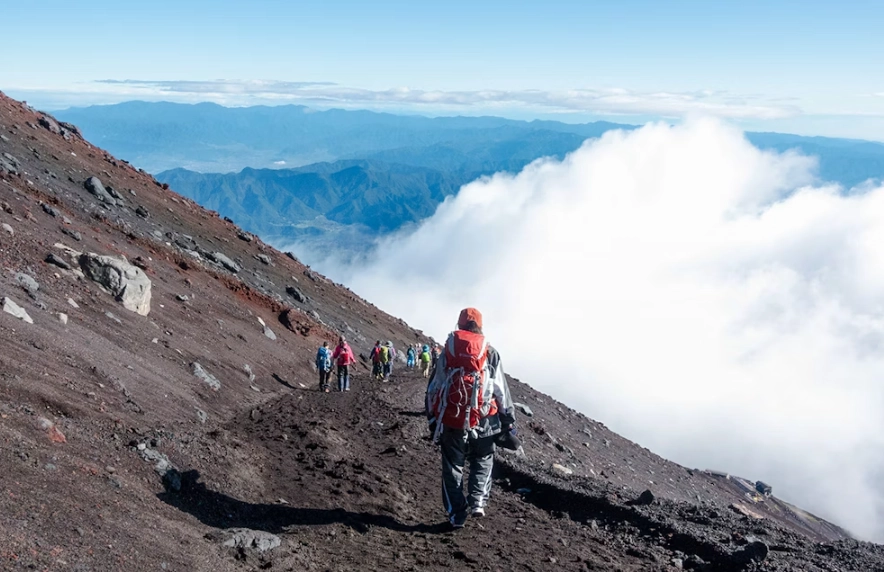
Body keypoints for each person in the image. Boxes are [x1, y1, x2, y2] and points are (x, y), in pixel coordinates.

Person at [426, 308, 516, 529]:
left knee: (452, 466)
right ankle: (477, 502)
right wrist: (508, 420)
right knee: (483, 459)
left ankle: (457, 514)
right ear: (480, 326)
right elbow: (500, 390)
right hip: (485, 418)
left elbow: (434, 387)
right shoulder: (490, 352)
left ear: (459, 325)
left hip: (453, 418)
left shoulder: (448, 350)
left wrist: (432, 418)